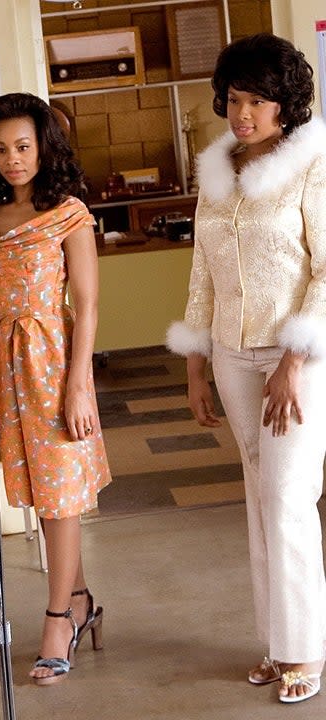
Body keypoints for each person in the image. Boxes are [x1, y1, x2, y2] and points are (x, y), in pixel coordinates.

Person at [166, 33, 326, 705]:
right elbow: (202, 274)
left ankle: (305, 653)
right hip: (231, 355)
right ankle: (275, 641)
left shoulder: (311, 165)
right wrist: (196, 363)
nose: (243, 114)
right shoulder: (217, 169)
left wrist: (294, 358)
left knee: (289, 499)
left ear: (285, 106)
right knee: (261, 501)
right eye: (235, 99)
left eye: (258, 101)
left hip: (300, 357)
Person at [0, 92, 111, 685]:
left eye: (23, 146)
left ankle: (58, 619)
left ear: (44, 147)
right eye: (1, 149)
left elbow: (88, 303)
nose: (13, 159)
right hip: (8, 369)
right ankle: (79, 601)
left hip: (54, 364)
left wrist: (79, 386)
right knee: (38, 491)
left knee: (61, 496)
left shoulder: (70, 214)